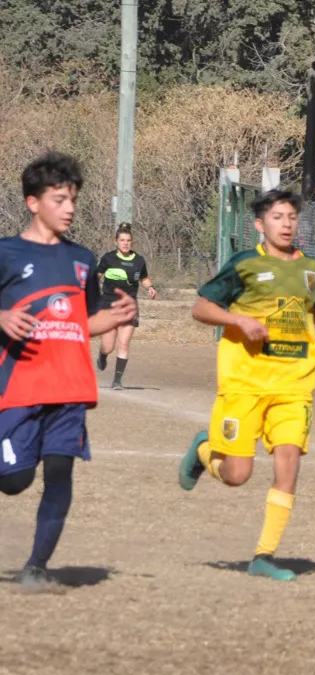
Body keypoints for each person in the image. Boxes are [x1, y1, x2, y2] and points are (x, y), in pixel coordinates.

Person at [177, 188, 315, 581]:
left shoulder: (312, 268)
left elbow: (302, 301)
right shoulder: (245, 264)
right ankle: (203, 451)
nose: (286, 224)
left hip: (294, 384)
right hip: (245, 383)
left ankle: (264, 556)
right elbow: (202, 307)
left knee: (288, 464)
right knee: (237, 475)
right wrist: (239, 321)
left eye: (291, 217)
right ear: (259, 224)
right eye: (277, 217)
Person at [0, 152, 138, 587]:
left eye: (73, 199)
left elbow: (82, 320)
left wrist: (114, 317)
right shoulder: (6, 252)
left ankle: (37, 567)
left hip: (70, 386)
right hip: (19, 386)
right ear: (32, 202)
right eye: (59, 199)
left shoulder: (81, 260)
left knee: (61, 470)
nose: (70, 208)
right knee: (15, 481)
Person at [95, 222, 157, 390]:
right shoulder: (108, 258)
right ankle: (103, 355)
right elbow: (96, 277)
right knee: (109, 345)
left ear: (132, 242)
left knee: (124, 344)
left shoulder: (139, 260)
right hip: (109, 305)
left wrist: (150, 287)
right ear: (116, 241)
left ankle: (117, 381)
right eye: (122, 240)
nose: (125, 243)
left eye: (128, 240)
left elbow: (144, 278)